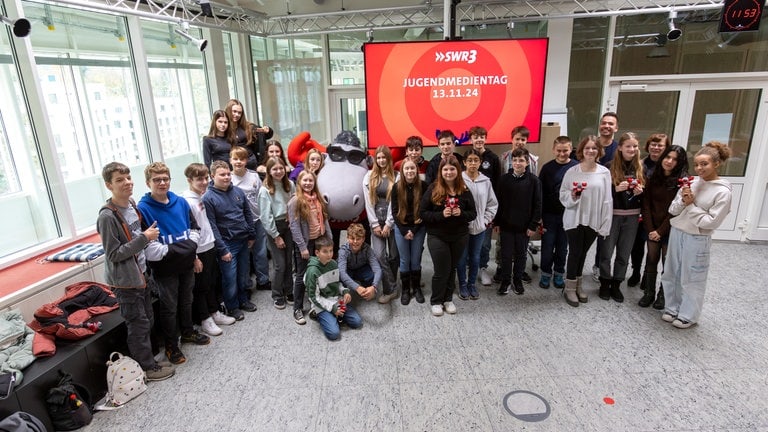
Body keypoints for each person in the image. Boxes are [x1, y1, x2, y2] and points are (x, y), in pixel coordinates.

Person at [96, 162, 175, 381]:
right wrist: (144, 238)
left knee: (147, 319)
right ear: (109, 185)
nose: (127, 182)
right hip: (126, 282)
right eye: (119, 180)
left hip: (141, 274)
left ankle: (149, 360)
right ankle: (147, 369)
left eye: (128, 177)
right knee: (138, 325)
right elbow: (114, 254)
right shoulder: (107, 217)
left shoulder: (131, 204)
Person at [137, 162, 209, 365]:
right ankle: (171, 345)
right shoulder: (143, 209)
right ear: (148, 182)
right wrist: (185, 250)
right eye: (157, 180)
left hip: (186, 265)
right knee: (169, 307)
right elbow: (152, 251)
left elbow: (194, 230)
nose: (162, 183)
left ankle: (187, 332)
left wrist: (191, 255)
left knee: (187, 300)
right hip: (164, 270)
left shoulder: (180, 202)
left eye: (165, 179)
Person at [661, 142, 732, 329]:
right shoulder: (691, 182)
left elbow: (711, 222)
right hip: (678, 231)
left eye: (705, 164)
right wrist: (684, 201)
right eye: (697, 164)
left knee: (692, 276)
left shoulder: (722, 192)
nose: (699, 168)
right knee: (672, 272)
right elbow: (673, 209)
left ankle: (688, 315)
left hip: (697, 237)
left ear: (716, 164)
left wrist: (691, 206)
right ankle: (672, 307)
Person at [181, 163, 235, 337]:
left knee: (211, 283)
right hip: (199, 250)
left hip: (210, 246)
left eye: (205, 178)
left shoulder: (201, 197)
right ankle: (205, 319)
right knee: (201, 287)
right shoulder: (187, 201)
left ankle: (214, 312)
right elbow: (188, 231)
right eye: (199, 179)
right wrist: (194, 256)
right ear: (189, 180)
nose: (204, 182)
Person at [559, 136, 613, 307]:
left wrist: (605, 223)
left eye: (594, 148)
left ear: (599, 151)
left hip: (593, 219)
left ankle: (578, 285)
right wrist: (573, 196)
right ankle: (569, 287)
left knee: (583, 254)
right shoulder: (572, 171)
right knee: (575, 252)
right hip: (574, 219)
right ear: (581, 150)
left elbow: (607, 200)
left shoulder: (604, 172)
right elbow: (563, 195)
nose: (591, 151)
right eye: (587, 148)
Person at [202, 161, 258, 322]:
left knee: (243, 274)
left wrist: (252, 235)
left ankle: (243, 300)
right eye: (222, 174)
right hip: (227, 245)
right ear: (213, 176)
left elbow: (247, 214)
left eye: (228, 174)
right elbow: (212, 226)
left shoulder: (238, 191)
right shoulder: (209, 198)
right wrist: (222, 250)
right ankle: (232, 306)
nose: (226, 177)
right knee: (230, 278)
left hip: (243, 240)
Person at [420, 155, 476, 316]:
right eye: (446, 169)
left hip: (459, 236)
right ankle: (436, 301)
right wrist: (441, 215)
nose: (449, 172)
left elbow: (473, 213)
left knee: (452, 268)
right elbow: (423, 213)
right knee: (441, 270)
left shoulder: (464, 190)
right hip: (437, 236)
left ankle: (448, 299)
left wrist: (461, 213)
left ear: (458, 171)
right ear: (441, 171)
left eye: (452, 169)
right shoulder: (433, 189)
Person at [638, 145, 688, 309]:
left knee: (668, 263)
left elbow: (676, 210)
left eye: (674, 159)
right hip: (652, 226)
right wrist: (651, 229)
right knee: (651, 259)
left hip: (670, 228)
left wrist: (660, 231)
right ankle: (649, 293)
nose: (669, 161)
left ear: (680, 163)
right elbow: (646, 205)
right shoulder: (653, 177)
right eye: (667, 157)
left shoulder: (683, 182)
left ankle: (662, 295)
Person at [597, 132, 645, 303]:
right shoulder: (609, 167)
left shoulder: (641, 167)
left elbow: (646, 196)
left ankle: (617, 284)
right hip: (612, 215)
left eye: (634, 146)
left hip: (632, 217)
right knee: (606, 252)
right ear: (620, 147)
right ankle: (604, 282)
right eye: (628, 146)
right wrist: (614, 190)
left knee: (624, 254)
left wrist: (640, 193)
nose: (632, 149)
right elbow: (600, 193)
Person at [491, 125, 538, 285]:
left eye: (523, 139)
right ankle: (501, 268)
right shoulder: (503, 158)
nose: (519, 142)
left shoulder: (533, 159)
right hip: (506, 208)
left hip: (524, 208)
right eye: (517, 139)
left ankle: (520, 270)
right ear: (512, 139)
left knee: (521, 245)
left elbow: (534, 187)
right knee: (502, 244)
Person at [288, 170, 332, 322]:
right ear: (299, 182)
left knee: (318, 271)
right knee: (301, 275)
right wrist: (302, 247)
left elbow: (324, 219)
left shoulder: (317, 198)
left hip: (319, 240)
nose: (308, 183)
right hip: (306, 243)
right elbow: (294, 227)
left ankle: (318, 301)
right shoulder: (295, 201)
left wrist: (329, 239)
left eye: (310, 181)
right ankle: (298, 308)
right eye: (305, 180)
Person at [627, 133, 670, 288]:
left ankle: (648, 275)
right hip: (640, 210)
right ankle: (636, 271)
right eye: (653, 144)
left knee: (654, 248)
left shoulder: (667, 166)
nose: (656, 148)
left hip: (659, 214)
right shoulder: (640, 164)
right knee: (636, 245)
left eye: (660, 145)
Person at [258, 157, 297, 321]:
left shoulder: (290, 185)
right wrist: (276, 236)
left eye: (281, 168)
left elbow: (294, 204)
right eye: (275, 169)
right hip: (274, 227)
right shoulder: (265, 190)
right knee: (280, 264)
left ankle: (289, 291)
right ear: (269, 171)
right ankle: (277, 294)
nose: (278, 171)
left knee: (289, 262)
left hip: (288, 225)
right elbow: (265, 217)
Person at [537, 136, 579, 289]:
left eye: (565, 150)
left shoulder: (576, 167)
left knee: (563, 247)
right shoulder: (547, 168)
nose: (562, 154)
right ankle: (546, 274)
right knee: (547, 247)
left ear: (571, 149)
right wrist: (539, 216)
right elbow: (540, 193)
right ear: (553, 150)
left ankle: (559, 273)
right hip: (549, 215)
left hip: (569, 215)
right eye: (559, 151)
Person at [457, 149, 497, 300]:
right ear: (464, 162)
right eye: (470, 160)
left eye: (476, 160)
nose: (473, 163)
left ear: (480, 162)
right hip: (462, 227)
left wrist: (486, 220)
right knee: (462, 257)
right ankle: (462, 283)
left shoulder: (486, 181)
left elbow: (492, 204)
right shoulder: (459, 179)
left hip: (479, 227)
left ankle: (471, 284)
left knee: (475, 257)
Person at [305, 236, 363, 341]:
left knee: (357, 322)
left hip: (336, 299)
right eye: (325, 252)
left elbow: (337, 283)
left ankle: (335, 317)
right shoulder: (312, 271)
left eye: (331, 251)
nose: (329, 254)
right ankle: (319, 314)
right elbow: (314, 297)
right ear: (317, 253)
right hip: (321, 304)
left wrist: (345, 291)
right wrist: (333, 309)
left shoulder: (333, 263)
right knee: (333, 334)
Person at [229, 147, 270, 294]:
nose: (238, 162)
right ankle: (246, 284)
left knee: (261, 252)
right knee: (244, 255)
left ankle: (263, 280)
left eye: (242, 159)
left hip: (257, 219)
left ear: (246, 161)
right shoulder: (229, 179)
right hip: (240, 223)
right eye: (235, 158)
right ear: (230, 160)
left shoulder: (253, 176)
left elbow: (261, 197)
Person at [363, 145, 399, 303]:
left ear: (389, 159)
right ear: (375, 159)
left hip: (393, 222)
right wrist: (375, 224)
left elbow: (395, 202)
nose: (381, 160)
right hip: (376, 222)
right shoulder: (369, 176)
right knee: (379, 255)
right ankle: (390, 288)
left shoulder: (397, 176)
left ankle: (390, 284)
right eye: (378, 157)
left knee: (394, 256)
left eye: (384, 157)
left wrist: (389, 224)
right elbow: (368, 202)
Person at [590, 112, 620, 282]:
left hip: (609, 201)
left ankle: (598, 267)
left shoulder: (618, 150)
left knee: (604, 238)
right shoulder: (591, 146)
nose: (607, 126)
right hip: (589, 199)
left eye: (611, 124)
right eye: (604, 123)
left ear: (616, 127)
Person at [391, 159, 427, 305]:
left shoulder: (424, 186)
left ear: (416, 170)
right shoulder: (396, 187)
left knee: (415, 259)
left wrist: (414, 230)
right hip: (401, 228)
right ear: (402, 171)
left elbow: (425, 211)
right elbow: (394, 212)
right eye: (407, 169)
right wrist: (405, 230)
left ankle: (416, 287)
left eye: (412, 168)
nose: (410, 171)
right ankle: (406, 289)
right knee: (405, 260)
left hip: (419, 228)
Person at [337, 223, 397, 304]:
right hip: (348, 270)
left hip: (361, 269)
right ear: (347, 238)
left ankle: (366, 288)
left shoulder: (367, 249)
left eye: (358, 239)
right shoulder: (343, 251)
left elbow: (378, 270)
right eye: (352, 238)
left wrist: (374, 287)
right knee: (340, 278)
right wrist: (357, 287)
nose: (355, 241)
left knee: (372, 275)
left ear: (363, 239)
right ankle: (346, 292)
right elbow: (342, 273)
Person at [225, 99, 273, 171]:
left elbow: (266, 135)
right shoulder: (223, 129)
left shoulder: (248, 126)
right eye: (234, 111)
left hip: (250, 162)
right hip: (234, 165)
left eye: (239, 113)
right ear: (228, 111)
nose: (237, 115)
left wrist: (267, 130)